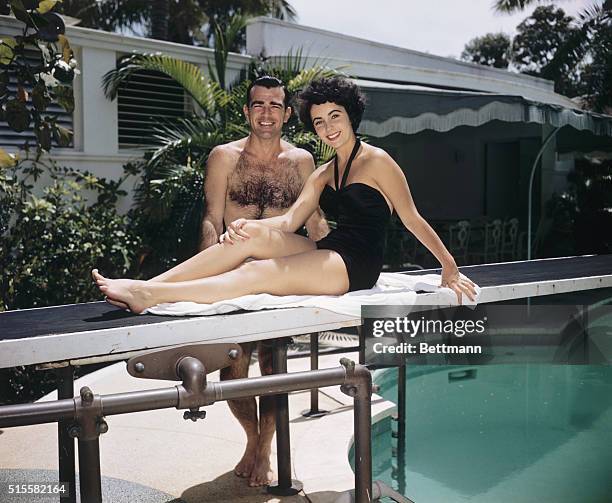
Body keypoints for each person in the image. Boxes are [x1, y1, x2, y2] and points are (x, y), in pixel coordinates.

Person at [92, 73, 476, 473]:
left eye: (335, 116)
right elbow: (291, 220)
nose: (328, 127)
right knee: (247, 238)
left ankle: (151, 297)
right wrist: (250, 230)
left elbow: (412, 218)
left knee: (258, 272)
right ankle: (149, 285)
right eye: (319, 122)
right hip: (334, 249)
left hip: (356, 265)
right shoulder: (326, 171)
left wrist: (449, 267)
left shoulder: (376, 161)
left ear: (352, 115)